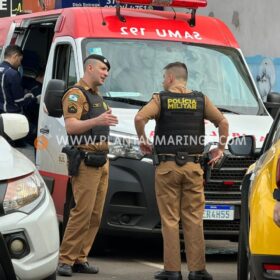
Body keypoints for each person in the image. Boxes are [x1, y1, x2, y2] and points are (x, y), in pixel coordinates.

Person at [134, 62, 229, 280]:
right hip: (194, 167)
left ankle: (172, 270)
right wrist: (220, 148)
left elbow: (140, 118)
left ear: (169, 78)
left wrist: (143, 140)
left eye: (163, 78)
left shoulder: (161, 98)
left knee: (170, 219)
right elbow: (222, 122)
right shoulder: (200, 99)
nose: (162, 82)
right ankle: (197, 270)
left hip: (167, 167)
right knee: (194, 218)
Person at [57, 54, 118, 277]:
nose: (106, 73)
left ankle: (80, 258)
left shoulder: (97, 97)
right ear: (89, 68)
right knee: (81, 212)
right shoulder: (75, 94)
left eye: (107, 70)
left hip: (102, 161)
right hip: (86, 161)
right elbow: (71, 127)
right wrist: (98, 121)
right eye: (102, 69)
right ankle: (65, 259)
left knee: (95, 215)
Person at [0, 45, 24, 113]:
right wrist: (32, 97)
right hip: (9, 115)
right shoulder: (13, 74)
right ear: (15, 56)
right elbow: (20, 101)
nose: (20, 64)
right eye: (20, 60)